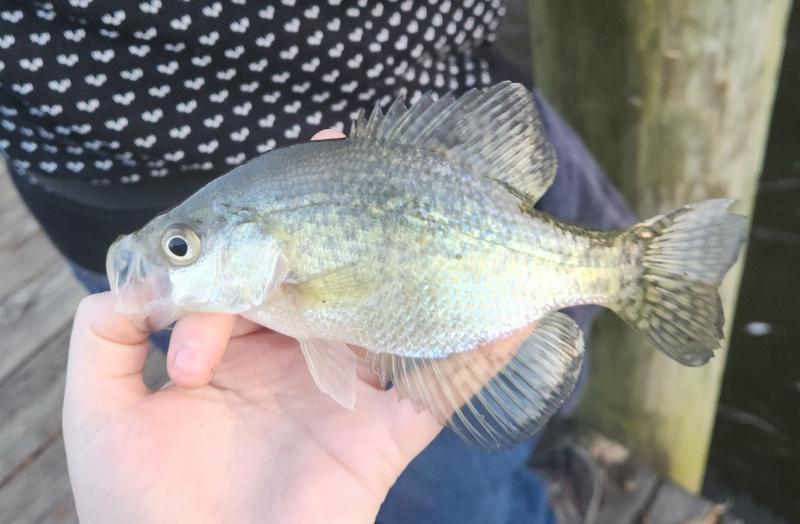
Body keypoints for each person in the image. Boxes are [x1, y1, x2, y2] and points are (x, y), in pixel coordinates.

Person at [2, 1, 633, 522]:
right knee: (449, 481)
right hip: (104, 178)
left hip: (448, 106)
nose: (171, 258)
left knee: (467, 459)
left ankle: (530, 497)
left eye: (181, 248)